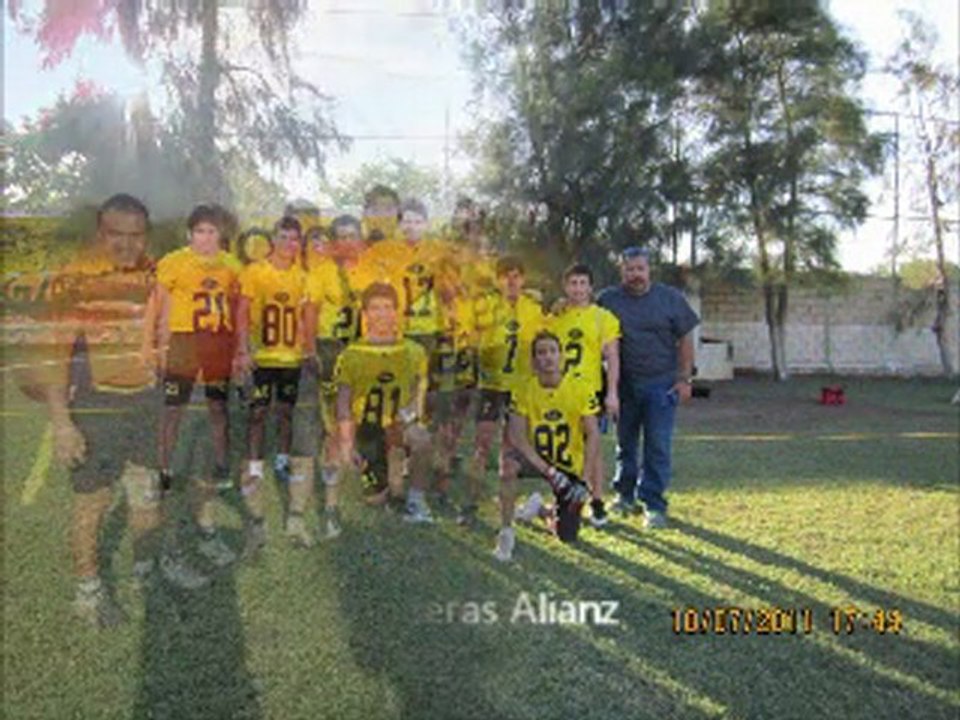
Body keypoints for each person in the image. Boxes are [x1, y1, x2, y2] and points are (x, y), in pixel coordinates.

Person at [37, 194, 207, 627]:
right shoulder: (76, 281)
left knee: (146, 493)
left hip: (148, 403)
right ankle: (88, 593)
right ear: (101, 233)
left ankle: (147, 576)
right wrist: (61, 425)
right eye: (116, 234)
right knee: (92, 502)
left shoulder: (156, 276)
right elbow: (53, 358)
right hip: (99, 405)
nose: (126, 245)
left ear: (145, 236)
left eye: (135, 235)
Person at [155, 204, 243, 566]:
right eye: (201, 231)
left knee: (218, 408)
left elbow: (238, 311)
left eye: (213, 232)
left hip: (217, 342)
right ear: (190, 234)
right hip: (184, 341)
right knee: (172, 409)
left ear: (221, 235)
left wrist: (239, 349)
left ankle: (221, 467)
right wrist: (157, 345)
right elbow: (160, 306)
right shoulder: (174, 262)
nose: (207, 238)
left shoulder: (232, 266)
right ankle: (164, 469)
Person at [597, 247, 699, 529]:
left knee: (657, 446)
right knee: (625, 444)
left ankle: (654, 505)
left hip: (661, 386)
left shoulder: (670, 299)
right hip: (624, 386)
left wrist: (685, 379)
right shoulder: (608, 300)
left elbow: (685, 340)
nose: (635, 275)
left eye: (640, 269)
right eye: (630, 270)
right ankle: (624, 495)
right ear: (622, 271)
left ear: (649, 270)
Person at [234, 216, 315, 554]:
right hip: (264, 357)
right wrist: (241, 349)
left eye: (294, 239)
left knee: (287, 414)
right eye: (283, 237)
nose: (289, 244)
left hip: (291, 359)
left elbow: (308, 316)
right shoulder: (255, 272)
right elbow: (242, 311)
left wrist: (309, 349)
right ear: (273, 240)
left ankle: (281, 460)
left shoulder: (303, 276)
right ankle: (255, 464)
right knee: (257, 415)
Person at [334, 282, 435, 523]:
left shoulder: (414, 351)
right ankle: (389, 476)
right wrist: (348, 444)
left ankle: (416, 500)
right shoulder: (352, 354)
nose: (382, 314)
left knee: (421, 438)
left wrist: (407, 419)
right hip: (366, 430)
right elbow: (343, 403)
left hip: (395, 427)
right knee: (373, 499)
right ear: (365, 314)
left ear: (397, 312)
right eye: (375, 308)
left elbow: (416, 395)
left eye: (388, 307)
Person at [495, 331, 600, 561]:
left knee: (567, 535)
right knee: (508, 467)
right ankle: (506, 531)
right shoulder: (523, 390)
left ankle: (541, 510)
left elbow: (592, 435)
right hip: (535, 458)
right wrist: (547, 471)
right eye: (541, 353)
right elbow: (518, 437)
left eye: (552, 351)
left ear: (561, 356)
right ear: (534, 361)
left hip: (567, 464)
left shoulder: (580, 388)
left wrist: (583, 479)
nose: (548, 357)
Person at [460, 256, 545, 527]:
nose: (511, 280)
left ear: (523, 279)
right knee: (482, 446)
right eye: (506, 275)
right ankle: (470, 505)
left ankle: (505, 502)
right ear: (498, 280)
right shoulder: (485, 305)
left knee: (510, 451)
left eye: (517, 275)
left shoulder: (532, 308)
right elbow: (468, 331)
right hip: (491, 387)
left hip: (519, 389)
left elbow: (542, 343)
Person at [548, 263, 621, 527]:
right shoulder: (555, 318)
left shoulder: (603, 318)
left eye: (582, 283)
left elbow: (612, 356)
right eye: (573, 283)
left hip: (589, 392)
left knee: (593, 448)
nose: (577, 289)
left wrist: (612, 392)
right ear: (565, 287)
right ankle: (564, 500)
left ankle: (597, 501)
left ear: (591, 287)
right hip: (561, 392)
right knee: (563, 448)